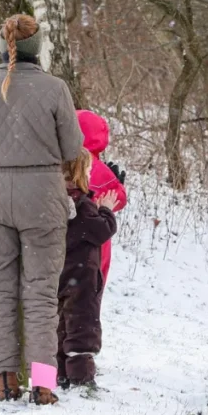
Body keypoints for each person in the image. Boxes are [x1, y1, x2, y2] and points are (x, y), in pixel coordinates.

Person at [0, 14, 84, 405]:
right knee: (42, 294)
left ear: (2, 45)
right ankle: (44, 384)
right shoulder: (55, 88)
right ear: (37, 48)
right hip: (42, 197)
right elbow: (71, 148)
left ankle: (4, 380)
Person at [58, 149, 119, 387]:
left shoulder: (53, 203)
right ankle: (81, 379)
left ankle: (56, 375)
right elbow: (102, 230)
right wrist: (106, 209)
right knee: (82, 327)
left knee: (58, 327)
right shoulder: (82, 206)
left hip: (59, 274)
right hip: (82, 278)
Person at [76, 110, 128, 290]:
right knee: (91, 290)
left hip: (64, 240)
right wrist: (118, 185)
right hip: (95, 241)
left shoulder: (59, 162)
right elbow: (119, 199)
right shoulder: (99, 170)